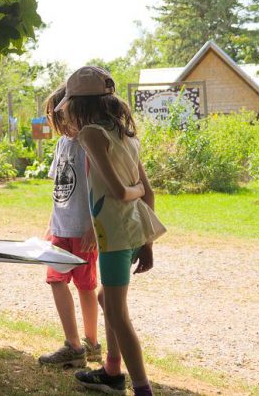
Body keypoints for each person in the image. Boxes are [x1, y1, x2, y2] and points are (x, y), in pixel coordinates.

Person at [56, 66, 166, 396]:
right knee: (106, 298)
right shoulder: (127, 136)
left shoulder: (91, 134)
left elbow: (123, 191)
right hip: (133, 231)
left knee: (118, 314)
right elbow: (150, 193)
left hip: (115, 235)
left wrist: (129, 190)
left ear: (79, 105)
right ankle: (111, 371)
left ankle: (139, 387)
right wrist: (147, 243)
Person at [38, 85, 101, 368]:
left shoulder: (90, 143)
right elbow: (59, 187)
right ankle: (73, 345)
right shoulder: (62, 144)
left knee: (86, 287)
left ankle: (92, 344)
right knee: (55, 281)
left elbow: (99, 188)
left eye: (63, 117)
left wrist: (93, 226)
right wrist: (51, 225)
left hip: (84, 232)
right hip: (61, 230)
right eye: (56, 121)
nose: (61, 125)